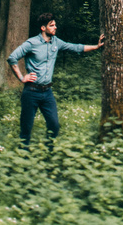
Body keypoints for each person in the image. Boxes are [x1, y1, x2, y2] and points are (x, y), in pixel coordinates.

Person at [7, 12, 104, 147]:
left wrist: (96, 46)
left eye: (55, 25)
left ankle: (49, 152)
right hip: (31, 92)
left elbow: (75, 47)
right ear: (43, 28)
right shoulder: (31, 43)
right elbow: (12, 58)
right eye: (51, 25)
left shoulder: (56, 42)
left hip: (47, 92)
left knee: (54, 125)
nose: (55, 27)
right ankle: (23, 155)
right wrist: (22, 77)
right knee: (26, 128)